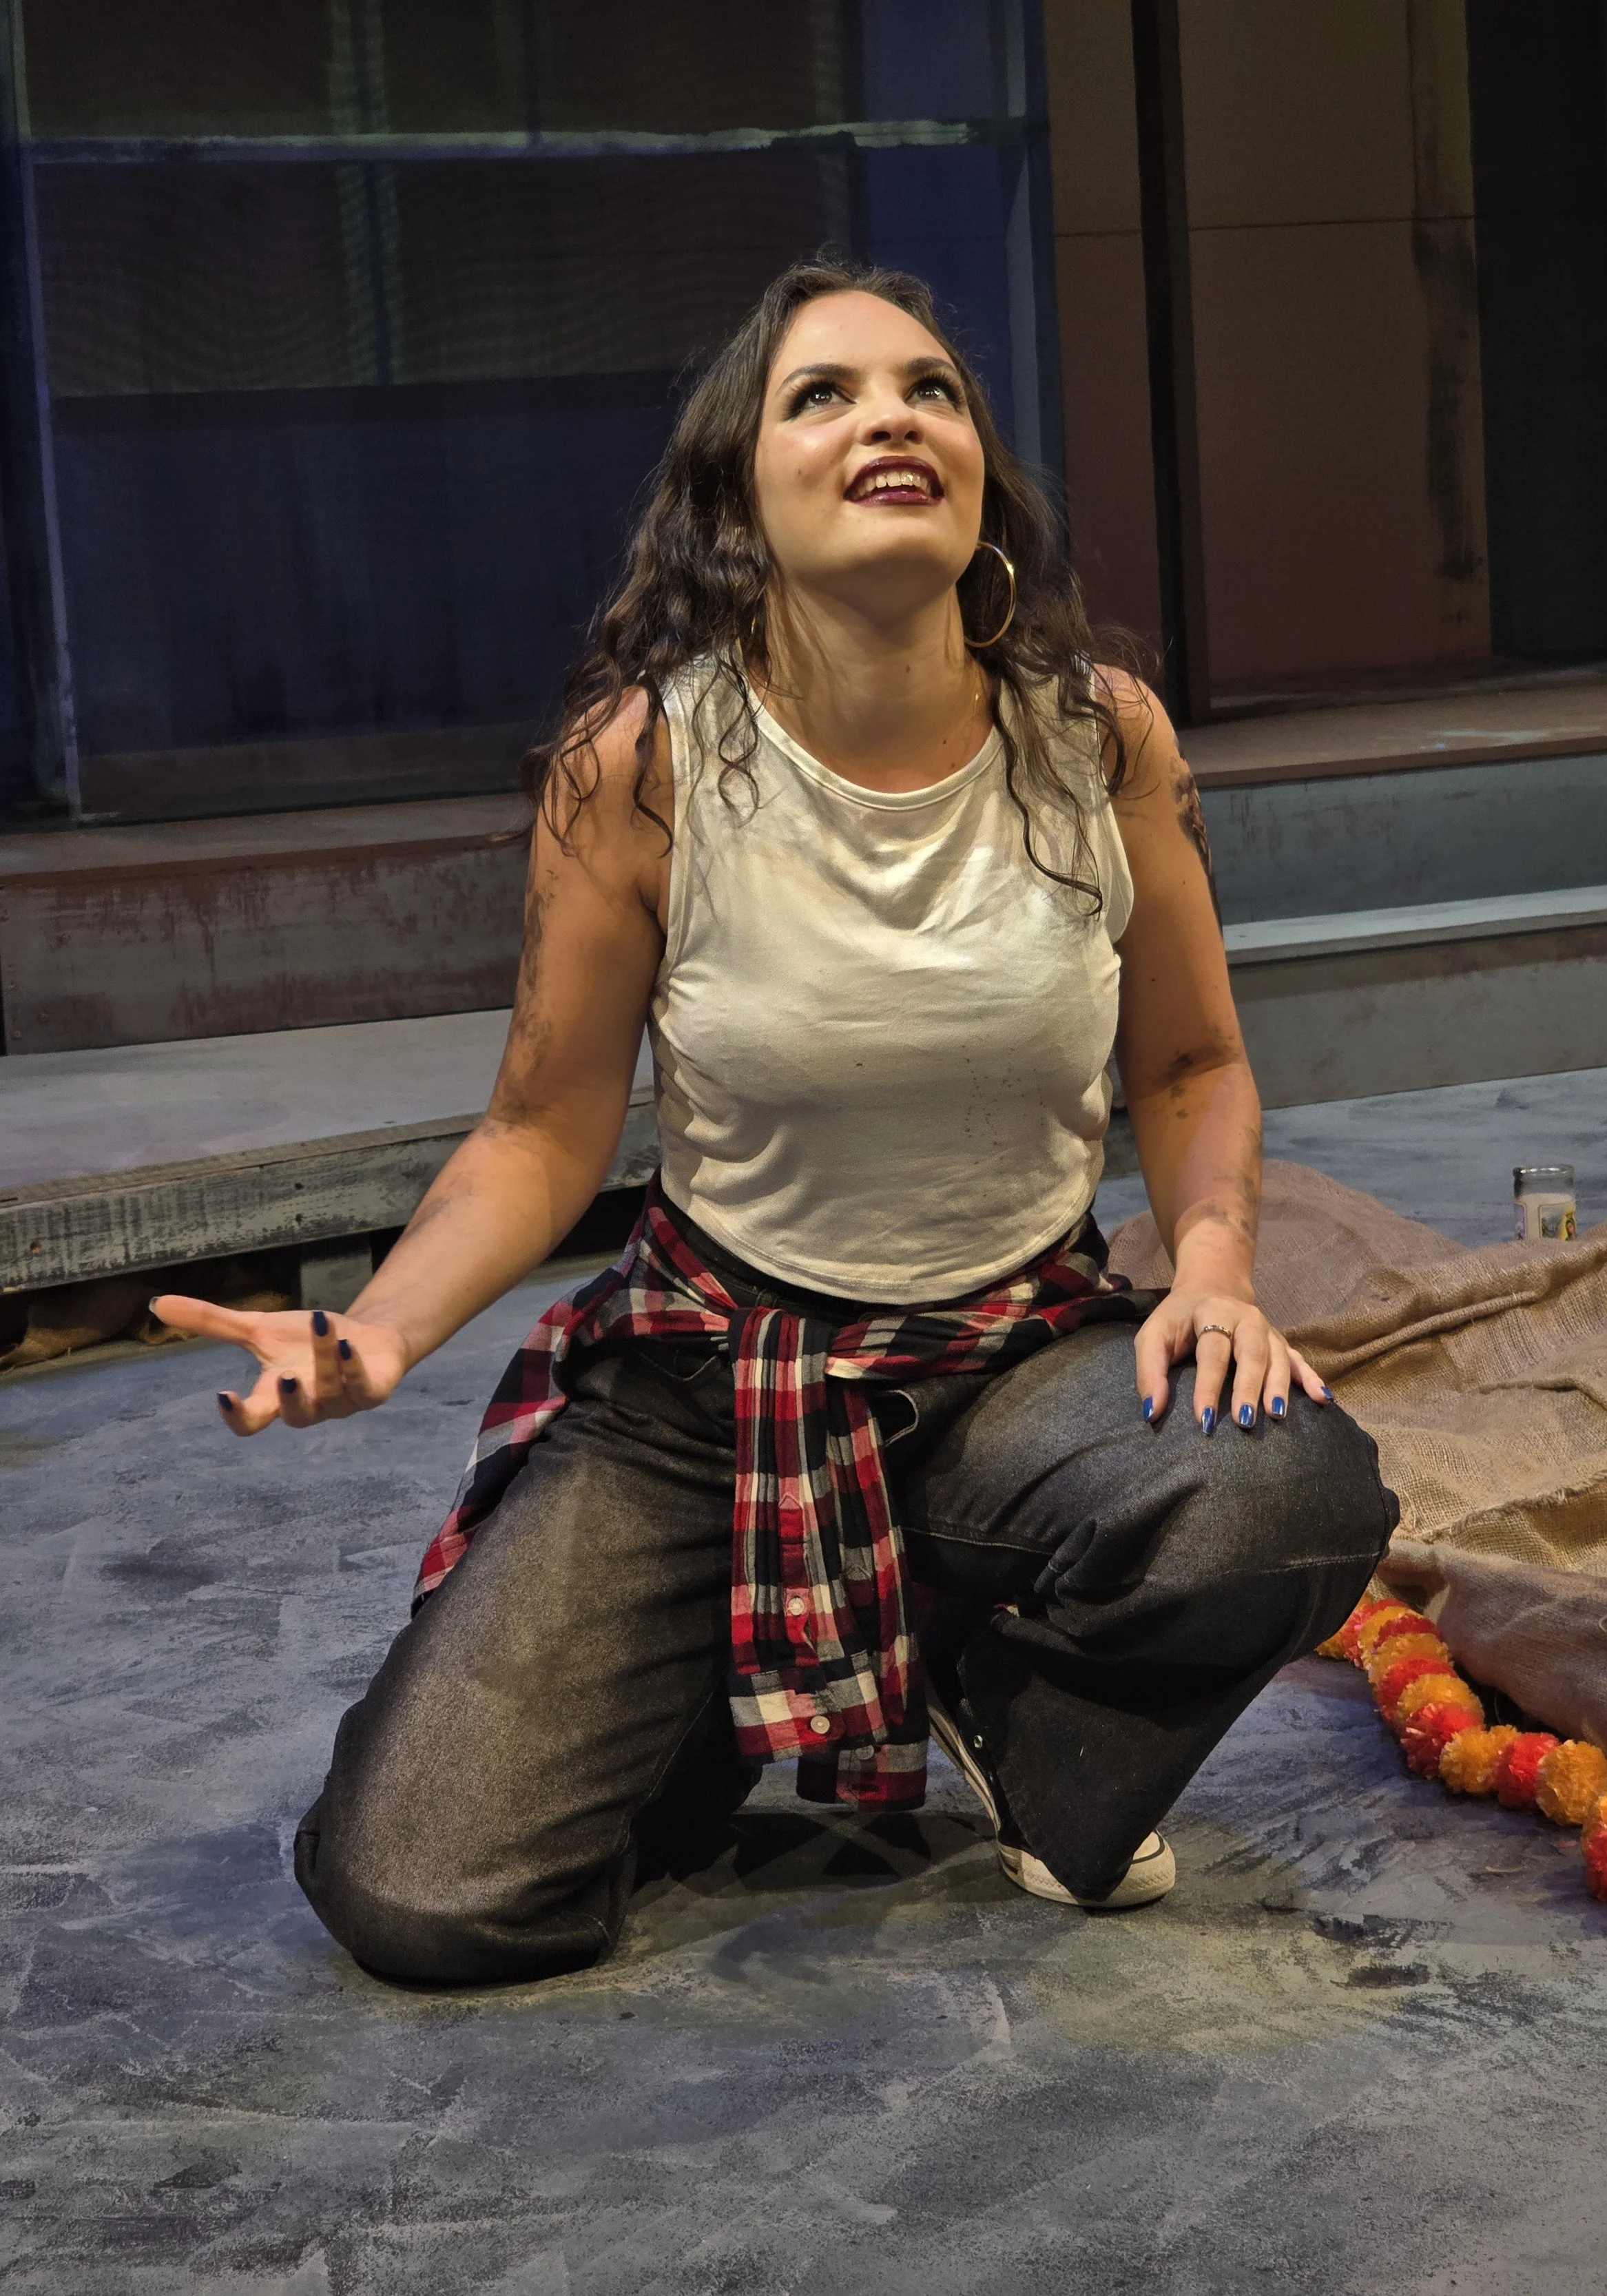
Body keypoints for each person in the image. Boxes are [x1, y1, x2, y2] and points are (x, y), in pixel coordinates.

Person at [156, 258, 1396, 1987]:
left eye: (929, 389)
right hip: (707, 1385)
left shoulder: (1095, 739)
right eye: (822, 393)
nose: (889, 413)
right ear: (738, 497)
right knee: (425, 1893)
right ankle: (737, 1689)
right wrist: (371, 1336)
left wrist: (1211, 1264)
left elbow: (1189, 1070)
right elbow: (537, 1131)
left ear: (977, 484)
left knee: (1295, 1494)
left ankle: (1019, 1713)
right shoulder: (642, 766)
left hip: (1007, 1357)